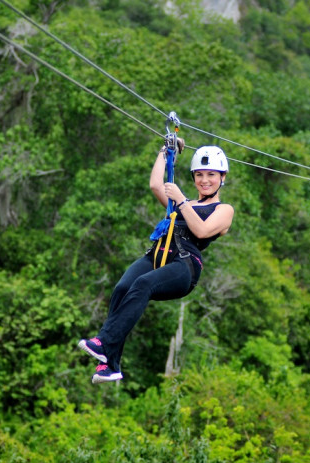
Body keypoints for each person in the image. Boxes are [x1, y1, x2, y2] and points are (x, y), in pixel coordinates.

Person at [78, 141, 234, 383]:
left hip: (184, 265)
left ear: (222, 177)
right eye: (199, 175)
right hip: (158, 255)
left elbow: (202, 231)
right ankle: (111, 365)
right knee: (122, 289)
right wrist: (166, 151)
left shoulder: (223, 209)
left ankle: (104, 343)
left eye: (211, 175)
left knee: (143, 285)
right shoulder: (184, 203)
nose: (204, 180)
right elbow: (155, 184)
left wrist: (181, 200)